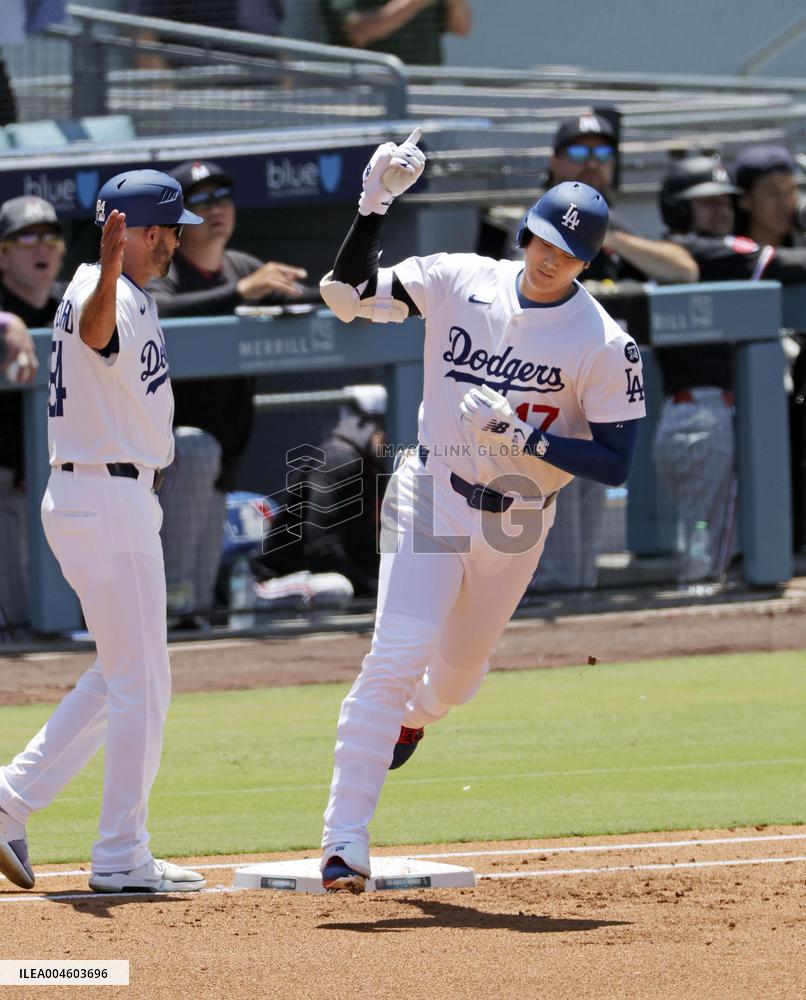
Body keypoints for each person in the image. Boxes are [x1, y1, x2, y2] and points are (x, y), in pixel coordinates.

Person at [316, 129, 646, 892]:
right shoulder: (461, 277)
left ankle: (416, 717)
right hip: (432, 490)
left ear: (588, 259)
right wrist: (373, 207)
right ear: (525, 229)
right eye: (541, 237)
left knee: (455, 682)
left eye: (567, 249)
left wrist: (527, 436)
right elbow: (346, 295)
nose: (548, 255)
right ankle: (344, 844)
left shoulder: (603, 341)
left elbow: (617, 459)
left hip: (521, 513)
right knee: (393, 656)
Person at [0, 169, 207, 894]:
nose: (177, 243)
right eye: (172, 232)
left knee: (119, 677)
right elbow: (96, 328)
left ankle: (9, 801)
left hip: (100, 496)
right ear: (147, 233)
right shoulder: (106, 290)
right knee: (142, 686)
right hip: (107, 496)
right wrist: (115, 263)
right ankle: (122, 854)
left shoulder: (116, 287)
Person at [524, 112, 697, 593]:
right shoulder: (529, 222)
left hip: (597, 393)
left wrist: (604, 236)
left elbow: (686, 271)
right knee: (543, 540)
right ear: (555, 161)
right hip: (538, 390)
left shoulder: (611, 224)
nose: (592, 164)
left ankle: (574, 636)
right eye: (578, 153)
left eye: (603, 154)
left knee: (580, 548)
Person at [146, 159, 317, 624]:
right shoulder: (163, 270)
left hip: (223, 450)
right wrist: (243, 291)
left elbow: (302, 298)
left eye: (221, 198)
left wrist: (352, 291)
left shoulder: (241, 265)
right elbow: (161, 312)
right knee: (172, 598)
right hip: (167, 457)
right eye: (199, 201)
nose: (215, 208)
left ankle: (193, 651)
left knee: (196, 597)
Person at [662, 153, 806, 559]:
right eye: (707, 203)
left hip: (737, 415)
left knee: (721, 541)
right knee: (712, 550)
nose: (720, 211)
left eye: (725, 201)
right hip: (707, 413)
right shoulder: (704, 249)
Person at [253, 384, 387, 598]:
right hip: (279, 581)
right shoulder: (337, 459)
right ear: (375, 429)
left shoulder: (379, 468)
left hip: (326, 583)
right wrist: (370, 587)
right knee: (335, 587)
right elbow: (322, 549)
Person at [0, 196, 62, 630]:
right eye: (26, 238)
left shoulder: (71, 304)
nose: (41, 247)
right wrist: (7, 323)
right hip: (6, 484)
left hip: (61, 481)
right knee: (19, 619)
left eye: (50, 237)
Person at [320, 0, 471, 66]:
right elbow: (358, 32)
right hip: (366, 90)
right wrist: (412, 3)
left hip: (423, 87)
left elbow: (461, 28)